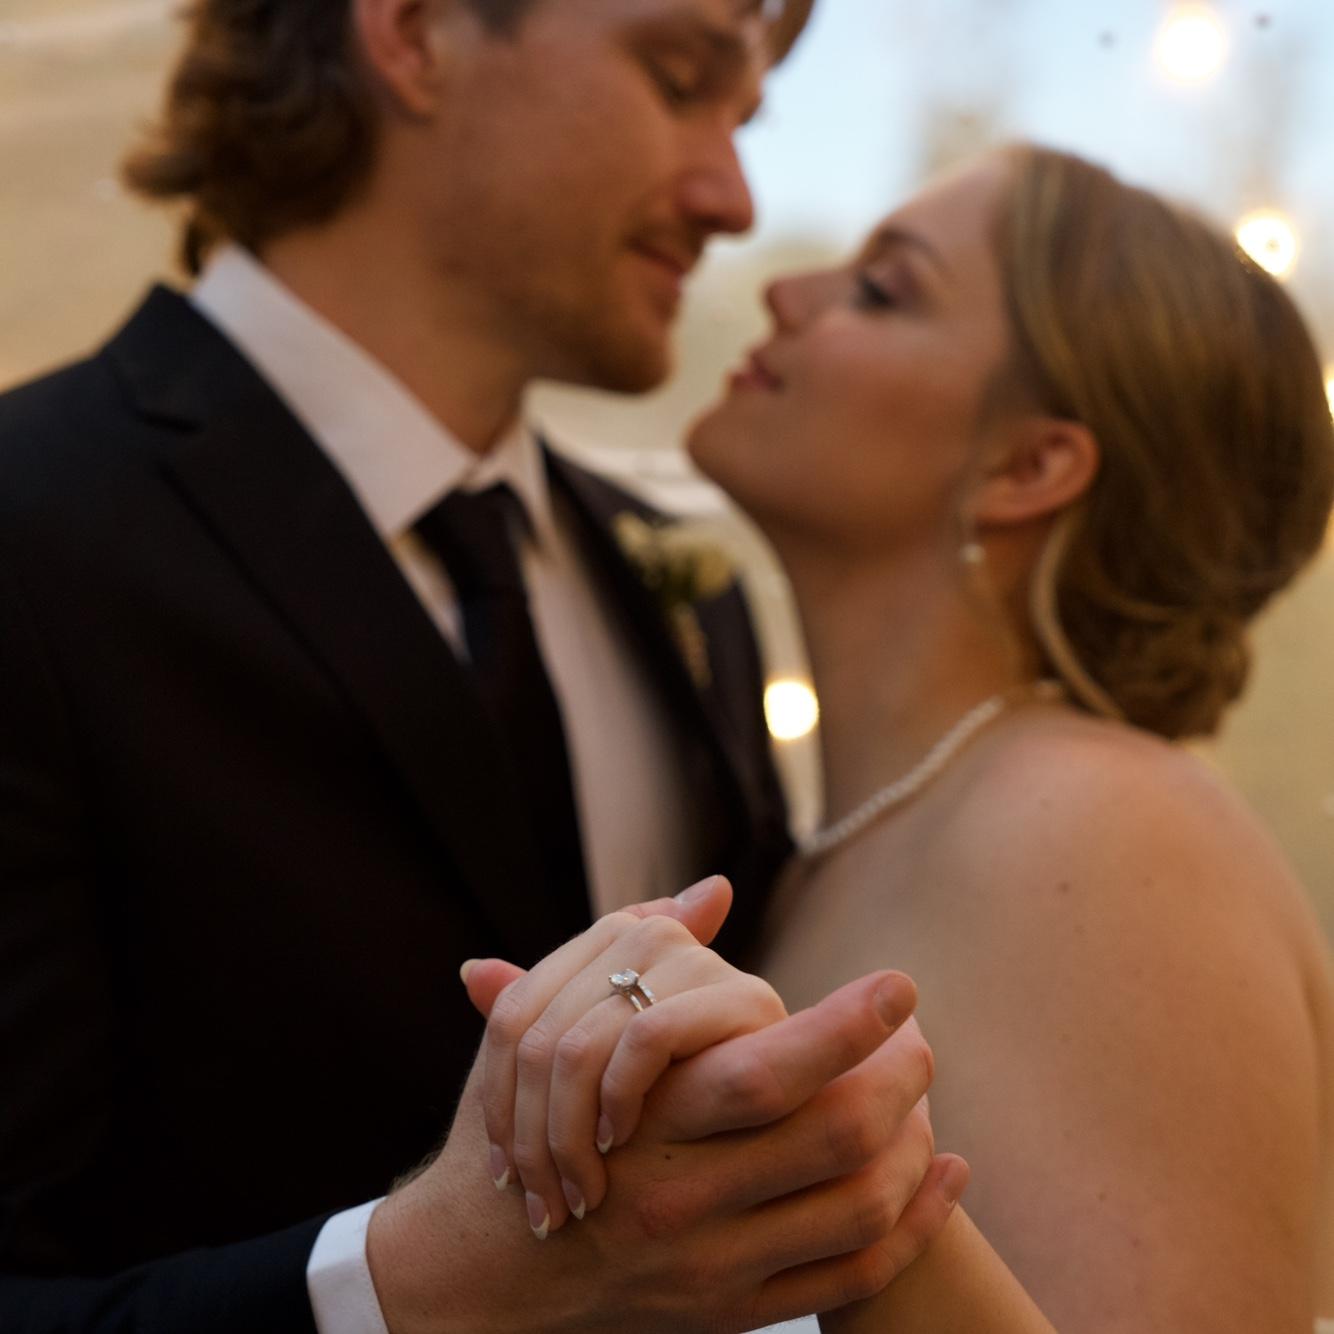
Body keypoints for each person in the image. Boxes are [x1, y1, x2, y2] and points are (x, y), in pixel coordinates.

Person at [0, 1, 966, 1331]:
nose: (731, 199)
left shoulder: (684, 591)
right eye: (677, 78)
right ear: (411, 34)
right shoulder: (31, 526)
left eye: (743, 121)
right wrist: (411, 1283)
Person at [463, 144, 1334, 1332]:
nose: (783, 291)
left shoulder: (1098, 828)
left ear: (1028, 465)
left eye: (881, 289)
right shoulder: (846, 841)